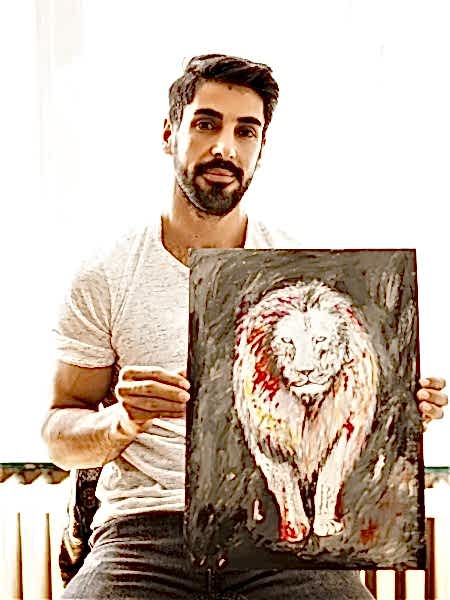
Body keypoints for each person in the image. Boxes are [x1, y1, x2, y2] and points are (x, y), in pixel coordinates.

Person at [42, 54, 447, 600]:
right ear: (169, 134)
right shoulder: (106, 275)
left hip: (279, 541)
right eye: (206, 124)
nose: (225, 148)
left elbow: (344, 418)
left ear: (261, 148)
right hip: (145, 535)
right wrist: (121, 422)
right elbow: (59, 432)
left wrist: (398, 407)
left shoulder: (306, 273)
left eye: (245, 131)